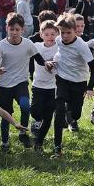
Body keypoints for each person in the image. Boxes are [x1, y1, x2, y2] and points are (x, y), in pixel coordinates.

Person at [0, 13, 46, 152]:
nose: (14, 32)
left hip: (21, 83)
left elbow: (40, 60)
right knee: (5, 115)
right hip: (5, 85)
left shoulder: (28, 43)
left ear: (23, 30)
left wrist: (48, 64)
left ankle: (23, 133)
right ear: (6, 28)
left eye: (17, 29)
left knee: (25, 106)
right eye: (11, 29)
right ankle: (5, 142)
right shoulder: (1, 45)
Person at [49, 13, 94, 157]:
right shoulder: (58, 40)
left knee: (75, 114)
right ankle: (57, 147)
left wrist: (89, 87)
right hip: (62, 79)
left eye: (68, 33)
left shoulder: (81, 46)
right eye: (62, 32)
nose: (64, 36)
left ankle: (69, 114)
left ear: (75, 30)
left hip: (79, 82)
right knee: (58, 111)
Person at [29, 20, 59, 153]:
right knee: (35, 112)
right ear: (41, 35)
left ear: (57, 34)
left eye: (53, 34)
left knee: (48, 116)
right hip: (38, 85)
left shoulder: (60, 47)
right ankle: (36, 123)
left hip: (53, 87)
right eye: (47, 34)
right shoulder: (36, 47)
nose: (50, 37)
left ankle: (39, 142)